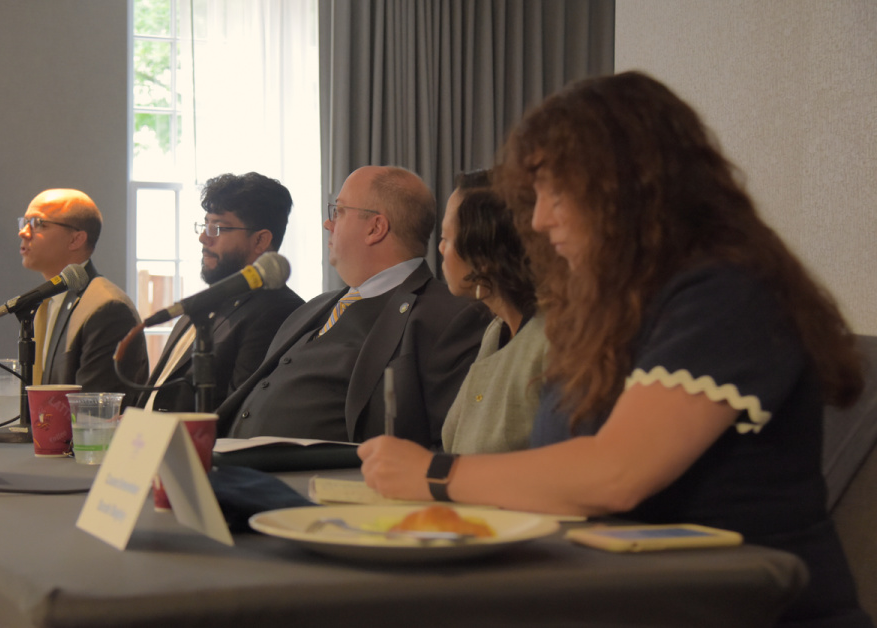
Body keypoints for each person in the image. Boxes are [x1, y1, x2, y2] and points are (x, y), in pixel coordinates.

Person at [358, 72, 870, 627]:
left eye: (556, 193)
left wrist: (436, 473)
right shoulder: (607, 313)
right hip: (624, 597)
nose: (538, 219)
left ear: (628, 185)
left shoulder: (729, 293)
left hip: (747, 610)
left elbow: (616, 474)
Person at [220, 165, 490, 446]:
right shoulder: (312, 308)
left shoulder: (448, 316)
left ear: (375, 228)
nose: (328, 223)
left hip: (321, 484)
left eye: (339, 211)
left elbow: (448, 444)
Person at [138, 172, 304, 413]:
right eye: (205, 224)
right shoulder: (203, 304)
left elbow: (237, 414)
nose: (204, 237)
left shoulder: (277, 311)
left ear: (260, 240)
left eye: (217, 228)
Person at [438, 170, 546, 454]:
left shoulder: (550, 339)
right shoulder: (495, 332)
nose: (439, 249)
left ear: (482, 252)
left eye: (446, 239)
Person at [17, 188, 149, 399]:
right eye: (24, 223)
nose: (23, 232)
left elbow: (96, 415)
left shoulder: (107, 308)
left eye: (37, 223)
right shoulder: (48, 301)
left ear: (76, 239)